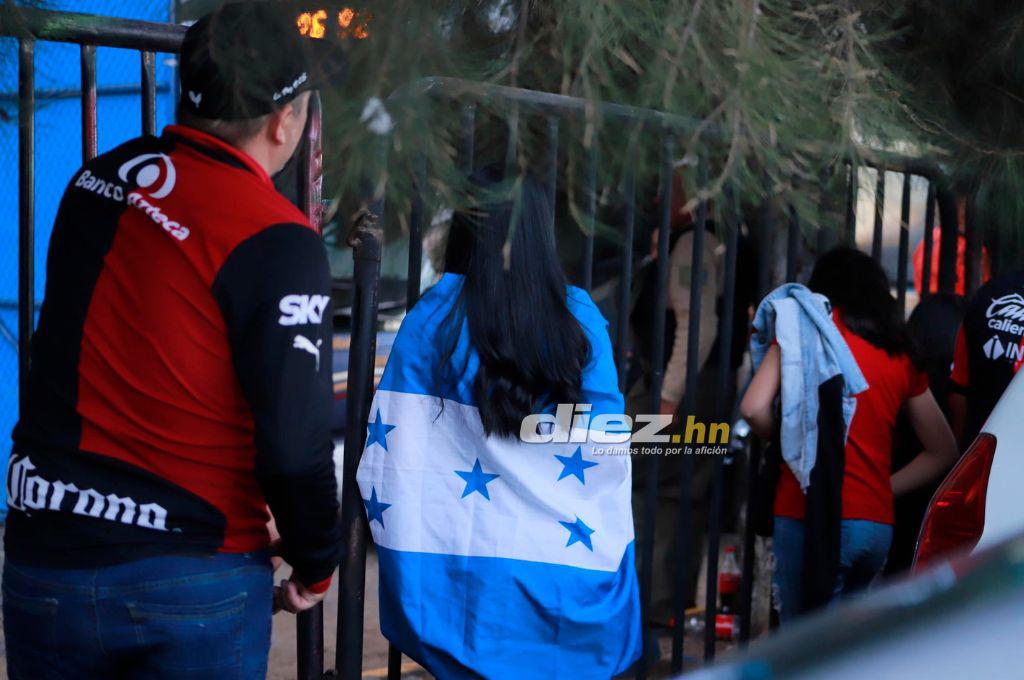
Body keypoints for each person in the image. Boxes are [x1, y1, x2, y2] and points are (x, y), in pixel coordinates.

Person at [3, 5, 342, 678]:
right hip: (190, 574)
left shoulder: (95, 179)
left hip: (45, 555)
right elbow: (296, 450)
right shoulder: (277, 239)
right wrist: (319, 560)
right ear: (286, 123)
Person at [357, 170, 643, 677]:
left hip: (466, 584)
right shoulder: (579, 317)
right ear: (541, 232)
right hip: (562, 573)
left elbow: (395, 449)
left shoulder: (434, 319)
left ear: (466, 229)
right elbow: (605, 444)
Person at [741, 247, 957, 622]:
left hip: (810, 516)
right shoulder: (900, 352)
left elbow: (753, 407)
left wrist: (793, 439)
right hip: (874, 527)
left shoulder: (803, 334)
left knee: (803, 650)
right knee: (842, 650)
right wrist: (880, 488)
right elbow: (943, 450)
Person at [948, 268, 1024, 446]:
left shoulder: (989, 293)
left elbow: (959, 390)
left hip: (983, 455)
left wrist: (961, 459)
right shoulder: (989, 295)